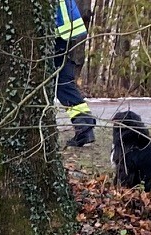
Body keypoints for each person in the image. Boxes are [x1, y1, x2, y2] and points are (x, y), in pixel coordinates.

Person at [53, 0, 99, 147]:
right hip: (65, 31)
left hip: (59, 32)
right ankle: (85, 125)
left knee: (62, 84)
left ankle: (84, 126)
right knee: (63, 82)